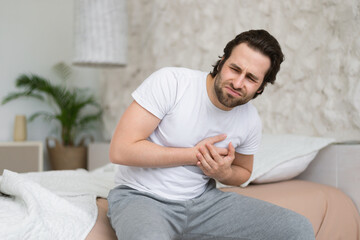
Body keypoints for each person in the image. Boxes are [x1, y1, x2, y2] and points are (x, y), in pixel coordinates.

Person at [107, 29, 315, 240]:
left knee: (298, 228)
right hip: (141, 197)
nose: (237, 83)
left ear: (261, 87)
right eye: (235, 69)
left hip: (205, 204)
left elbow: (243, 171)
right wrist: (194, 155)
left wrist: (223, 174)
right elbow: (121, 150)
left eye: (251, 78)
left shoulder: (250, 119)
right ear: (222, 62)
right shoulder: (172, 82)